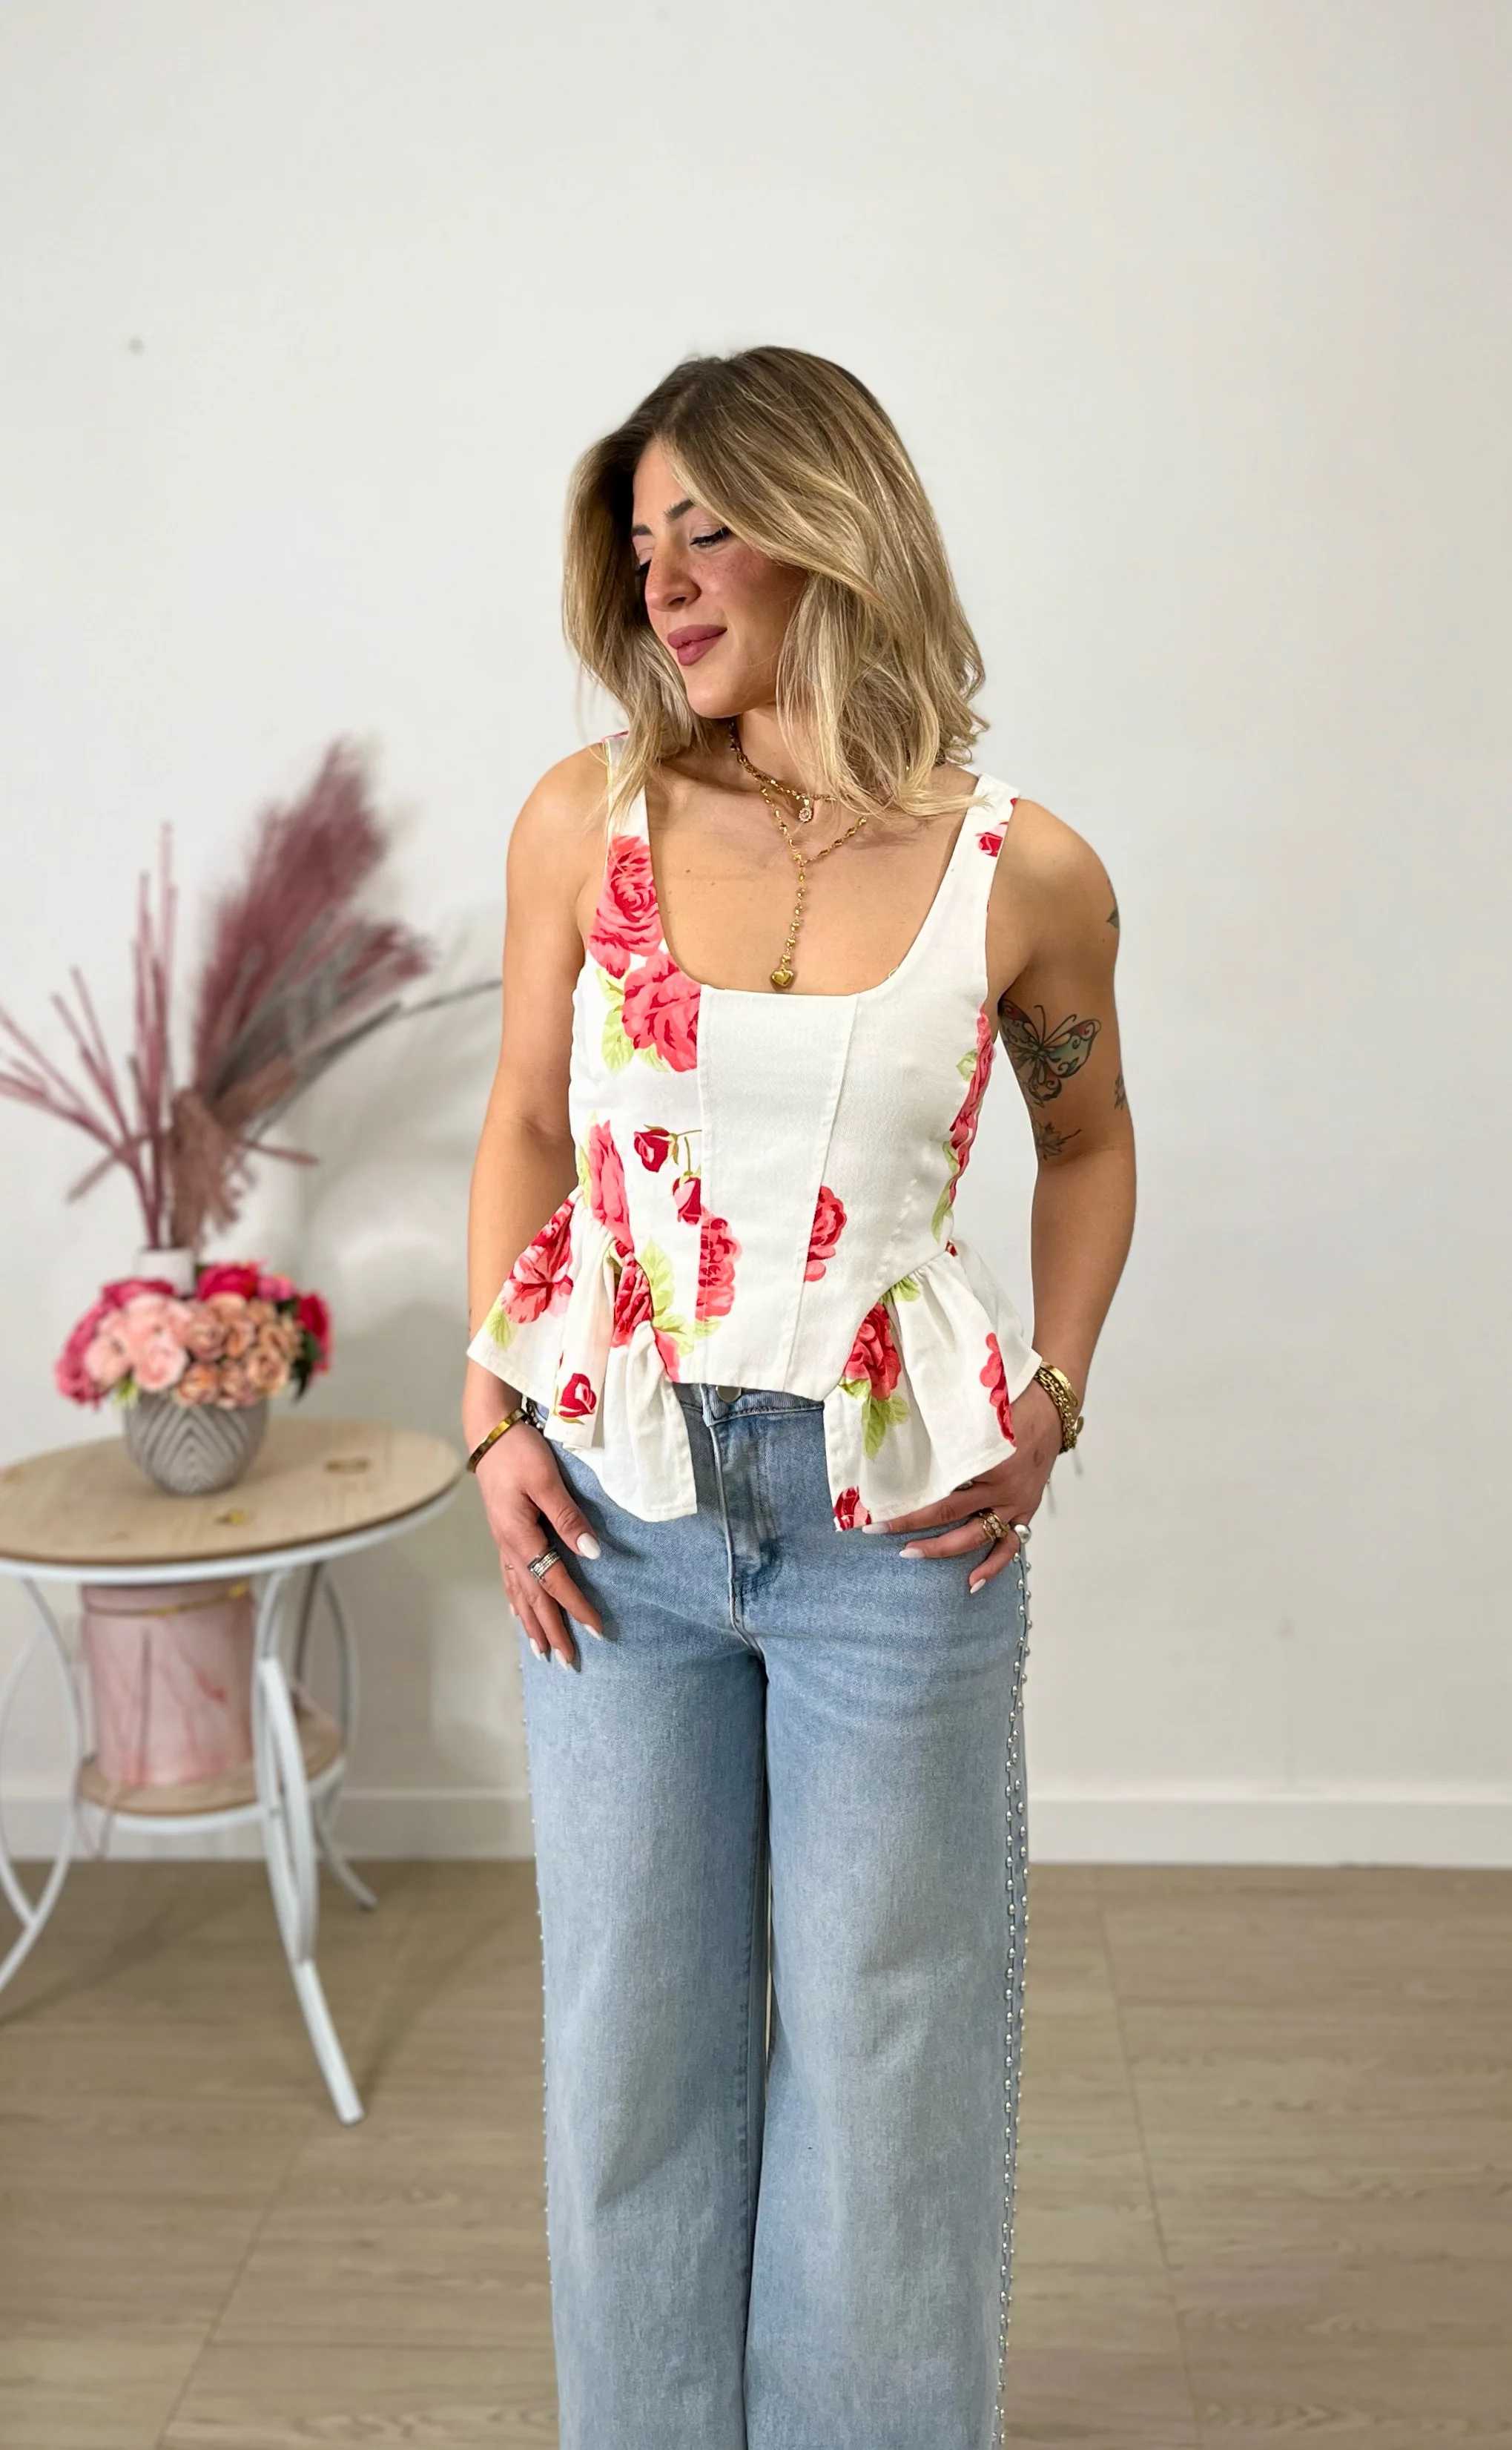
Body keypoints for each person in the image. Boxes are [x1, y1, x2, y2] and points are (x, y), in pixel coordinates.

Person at [461, 344, 1135, 2450]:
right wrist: (492, 1416)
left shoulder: (1023, 873)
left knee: (885, 2050)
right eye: (640, 542)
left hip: (896, 1529)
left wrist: (1053, 1395)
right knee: (632, 2053)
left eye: (709, 532)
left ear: (830, 537)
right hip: (615, 1500)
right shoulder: (583, 820)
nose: (663, 582)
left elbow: (1091, 1144)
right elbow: (526, 1122)